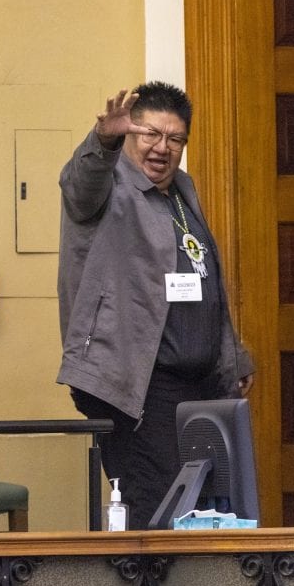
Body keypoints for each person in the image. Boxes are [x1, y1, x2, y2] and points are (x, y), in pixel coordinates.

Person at [57, 82, 254, 530]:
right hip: (139, 386)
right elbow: (78, 185)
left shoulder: (183, 190)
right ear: (129, 134)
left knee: (211, 514)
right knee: (159, 515)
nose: (162, 148)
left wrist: (233, 356)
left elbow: (206, 282)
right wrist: (102, 140)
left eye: (175, 138)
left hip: (200, 385)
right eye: (150, 134)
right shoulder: (107, 185)